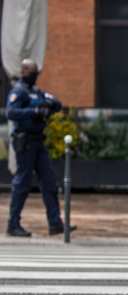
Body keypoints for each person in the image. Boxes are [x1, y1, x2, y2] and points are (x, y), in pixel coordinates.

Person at [6, 59, 76, 237]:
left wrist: (49, 105)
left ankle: (55, 223)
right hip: (25, 142)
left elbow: (57, 104)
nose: (35, 77)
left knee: (49, 181)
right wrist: (35, 111)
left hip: (38, 142)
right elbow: (11, 112)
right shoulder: (18, 91)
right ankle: (13, 224)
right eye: (33, 73)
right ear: (24, 73)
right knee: (22, 183)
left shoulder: (37, 92)